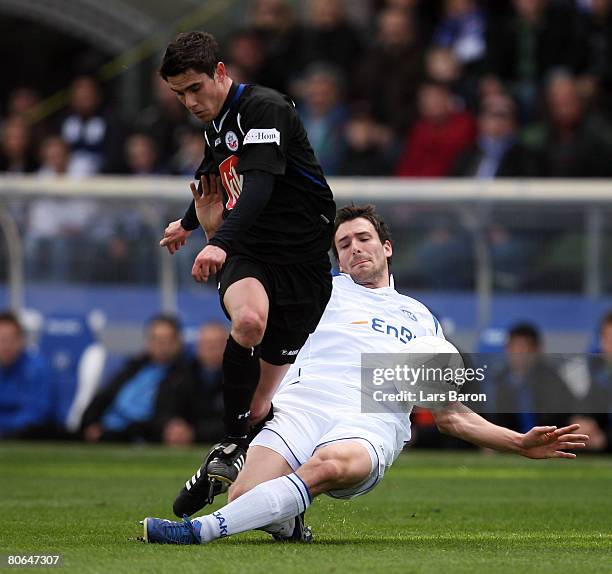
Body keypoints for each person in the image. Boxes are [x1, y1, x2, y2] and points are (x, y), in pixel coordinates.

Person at [141, 205, 589, 544]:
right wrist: (216, 231)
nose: (355, 248)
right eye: (344, 244)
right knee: (246, 500)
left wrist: (518, 442)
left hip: (369, 412)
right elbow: (248, 280)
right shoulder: (319, 289)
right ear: (336, 258)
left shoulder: (420, 319)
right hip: (303, 402)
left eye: (363, 238)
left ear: (386, 247)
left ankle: (197, 531)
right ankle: (289, 518)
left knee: (334, 465)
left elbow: (449, 414)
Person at [157, 31, 335, 511]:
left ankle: (238, 460)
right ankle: (233, 443)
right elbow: (215, 167)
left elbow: (256, 185)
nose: (190, 102)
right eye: (180, 95)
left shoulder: (267, 109)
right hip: (251, 253)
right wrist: (190, 224)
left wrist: (220, 239)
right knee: (249, 320)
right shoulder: (217, 120)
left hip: (303, 266)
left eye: (195, 89)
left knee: (261, 407)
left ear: (220, 73)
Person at [80, 315, 190, 443]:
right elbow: (104, 397)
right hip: (105, 429)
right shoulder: (133, 367)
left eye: (166, 340)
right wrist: (91, 422)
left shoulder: (185, 375)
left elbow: (167, 416)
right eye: (155, 339)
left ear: (178, 341)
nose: (161, 345)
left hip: (137, 435)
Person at [0, 311, 55, 438]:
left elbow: (37, 413)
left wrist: (4, 426)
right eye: (1, 340)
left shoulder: (36, 368)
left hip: (27, 434)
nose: (5, 346)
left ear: (21, 341)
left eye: (10, 340)